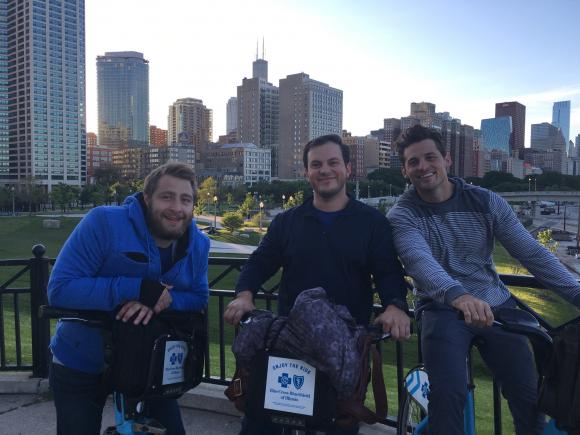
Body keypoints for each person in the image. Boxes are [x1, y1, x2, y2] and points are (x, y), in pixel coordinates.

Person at [387, 124, 580, 435]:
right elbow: (419, 262)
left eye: (430, 157)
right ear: (405, 171)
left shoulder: (486, 201)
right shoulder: (402, 215)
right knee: (448, 396)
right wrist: (459, 296)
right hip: (442, 307)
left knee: (528, 396)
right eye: (413, 162)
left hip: (495, 303)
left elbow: (530, 252)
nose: (423, 167)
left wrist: (575, 292)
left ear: (447, 160)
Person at [224, 134, 410, 435]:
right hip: (289, 344)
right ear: (307, 172)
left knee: (337, 427)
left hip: (344, 348)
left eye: (333, 162)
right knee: (260, 427)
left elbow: (389, 272)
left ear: (348, 169)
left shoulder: (372, 222)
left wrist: (395, 306)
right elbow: (259, 262)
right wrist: (244, 296)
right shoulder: (287, 222)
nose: (325, 170)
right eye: (316, 164)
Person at [48, 162, 210, 435]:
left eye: (186, 199)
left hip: (150, 362)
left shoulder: (199, 243)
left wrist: (160, 300)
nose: (177, 208)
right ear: (147, 198)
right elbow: (61, 288)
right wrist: (137, 289)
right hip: (84, 359)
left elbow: (198, 295)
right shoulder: (104, 222)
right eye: (166, 196)